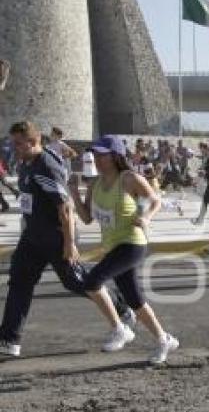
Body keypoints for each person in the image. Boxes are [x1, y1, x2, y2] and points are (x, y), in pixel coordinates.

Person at [0, 123, 133, 358]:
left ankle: (121, 307)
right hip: (32, 238)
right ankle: (10, 339)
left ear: (33, 142)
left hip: (56, 236)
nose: (13, 147)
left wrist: (69, 244)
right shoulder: (26, 163)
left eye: (18, 143)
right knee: (19, 282)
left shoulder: (46, 166)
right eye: (13, 142)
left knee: (75, 281)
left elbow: (65, 209)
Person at [68, 135, 179, 364]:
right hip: (113, 247)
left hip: (132, 243)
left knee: (92, 281)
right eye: (95, 155)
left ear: (115, 156)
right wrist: (75, 194)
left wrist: (146, 217)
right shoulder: (95, 185)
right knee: (134, 299)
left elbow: (154, 200)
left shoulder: (129, 179)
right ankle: (163, 338)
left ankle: (119, 329)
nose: (97, 159)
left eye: (102, 155)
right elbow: (87, 218)